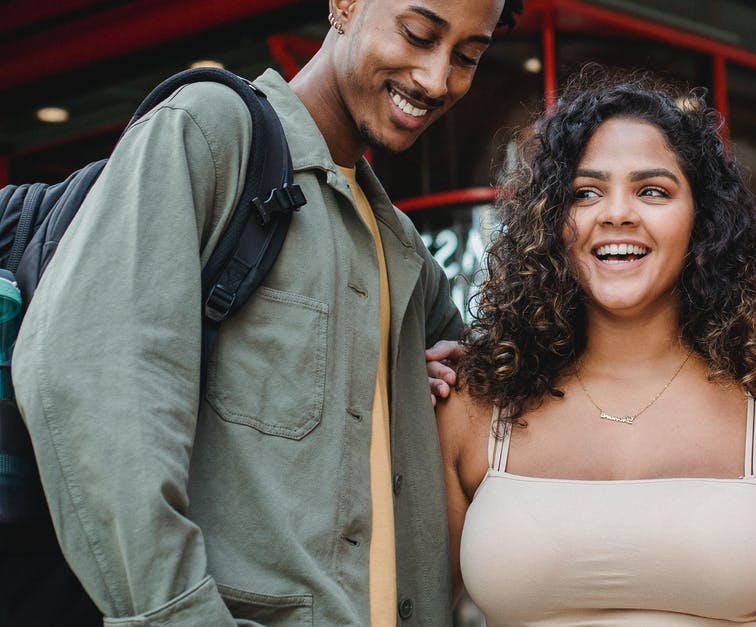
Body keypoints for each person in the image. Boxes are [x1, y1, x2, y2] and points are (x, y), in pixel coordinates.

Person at [12, 0, 522, 625]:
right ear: (344, 4)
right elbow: (90, 382)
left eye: (468, 57)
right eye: (418, 34)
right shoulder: (209, 132)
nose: (437, 79)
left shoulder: (401, 249)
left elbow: (504, 393)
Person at [435, 70, 756, 625]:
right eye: (586, 192)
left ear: (701, 219)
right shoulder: (476, 402)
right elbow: (407, 606)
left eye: (652, 191)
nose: (617, 214)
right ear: (551, 220)